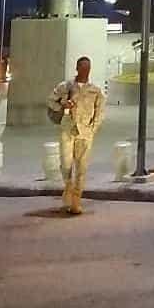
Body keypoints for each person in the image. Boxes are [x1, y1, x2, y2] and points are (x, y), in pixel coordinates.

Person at [46, 56, 105, 215]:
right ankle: (68, 188)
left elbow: (100, 113)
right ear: (77, 68)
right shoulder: (65, 87)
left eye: (88, 68)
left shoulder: (95, 90)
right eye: (83, 68)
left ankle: (76, 200)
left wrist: (92, 129)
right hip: (68, 129)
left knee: (82, 168)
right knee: (65, 164)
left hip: (85, 133)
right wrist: (62, 104)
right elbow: (51, 101)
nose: (86, 71)